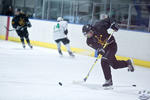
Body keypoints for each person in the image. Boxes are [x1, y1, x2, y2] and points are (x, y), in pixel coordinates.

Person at [82, 15, 134, 88]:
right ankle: (127, 63)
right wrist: (100, 50)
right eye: (85, 35)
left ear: (91, 30)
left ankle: (108, 81)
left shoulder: (99, 25)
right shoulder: (89, 41)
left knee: (104, 60)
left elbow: (110, 19)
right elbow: (98, 48)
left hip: (111, 45)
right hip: (106, 49)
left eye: (87, 34)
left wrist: (113, 24)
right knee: (115, 65)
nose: (87, 36)